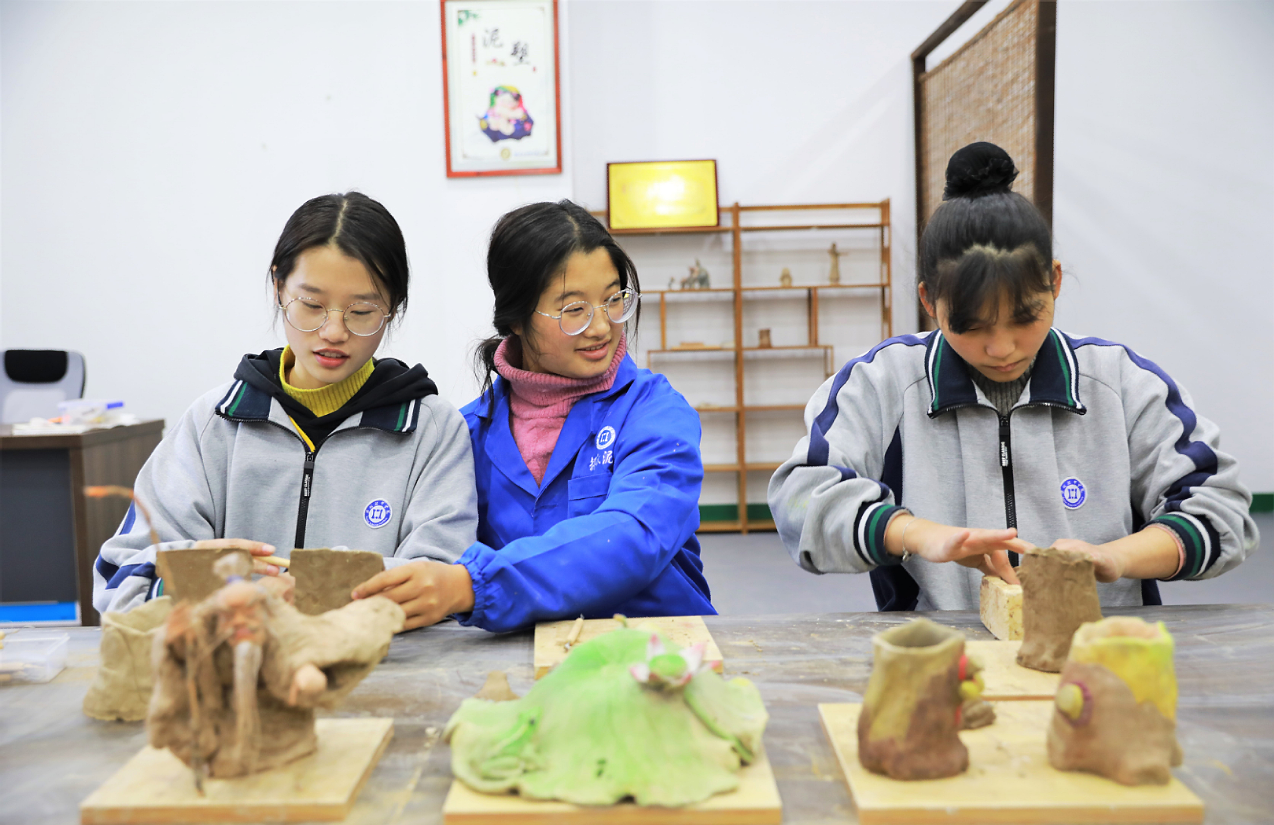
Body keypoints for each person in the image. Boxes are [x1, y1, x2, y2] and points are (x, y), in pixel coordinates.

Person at [768, 142, 1258, 611]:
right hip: (944, 650)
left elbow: (1220, 509)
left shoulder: (1122, 383)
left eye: (1025, 318)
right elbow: (801, 501)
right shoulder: (881, 383)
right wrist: (915, 534)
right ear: (928, 301)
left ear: (1055, 281)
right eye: (971, 326)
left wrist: (1115, 558)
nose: (1002, 348)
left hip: (1097, 644)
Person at [93, 192, 478, 620]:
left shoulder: (431, 430)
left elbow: (439, 587)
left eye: (362, 311)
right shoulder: (213, 424)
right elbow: (118, 583)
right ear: (279, 287)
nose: (333, 331)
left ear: (393, 306)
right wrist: (207, 583)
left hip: (379, 660)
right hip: (231, 657)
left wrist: (308, 591)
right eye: (311, 305)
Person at [354, 200, 714, 632]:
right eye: (574, 310)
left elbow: (633, 535)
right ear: (517, 319)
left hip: (654, 651)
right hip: (522, 662)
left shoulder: (653, 411)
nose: (601, 327)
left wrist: (473, 584)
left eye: (613, 299)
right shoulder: (466, 434)